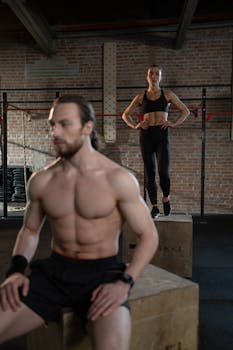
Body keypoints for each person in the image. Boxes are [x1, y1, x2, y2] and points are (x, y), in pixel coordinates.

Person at [0, 94, 158, 350]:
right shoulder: (42, 180)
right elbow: (29, 230)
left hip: (102, 275)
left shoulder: (117, 179)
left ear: (87, 127)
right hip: (53, 274)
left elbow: (149, 236)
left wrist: (125, 282)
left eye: (65, 124)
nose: (55, 132)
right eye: (52, 125)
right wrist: (16, 270)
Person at [122, 64, 190, 219]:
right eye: (151, 74)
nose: (153, 77)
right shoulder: (140, 97)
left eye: (157, 74)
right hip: (146, 135)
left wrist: (173, 123)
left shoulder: (167, 94)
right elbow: (125, 115)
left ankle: (166, 198)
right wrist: (135, 125)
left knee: (163, 171)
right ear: (147, 76)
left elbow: (185, 111)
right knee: (149, 173)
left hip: (161, 134)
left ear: (160, 77)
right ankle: (154, 206)